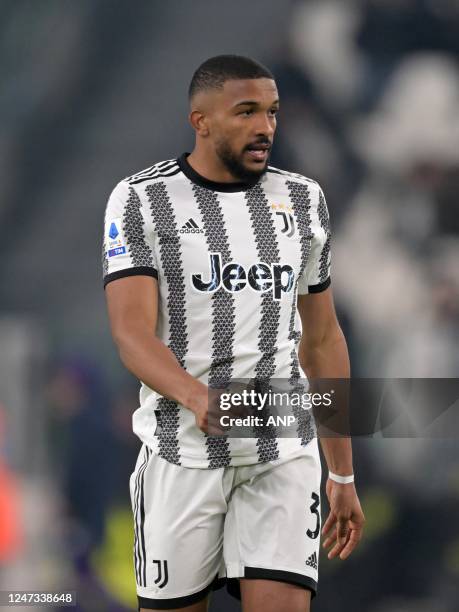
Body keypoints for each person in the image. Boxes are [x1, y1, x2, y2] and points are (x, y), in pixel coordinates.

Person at [102, 55, 365, 612]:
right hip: (181, 453)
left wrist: (341, 469)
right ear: (201, 120)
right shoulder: (141, 199)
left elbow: (321, 340)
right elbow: (130, 333)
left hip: (282, 449)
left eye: (271, 112)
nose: (265, 127)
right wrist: (197, 397)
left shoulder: (302, 199)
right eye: (246, 112)